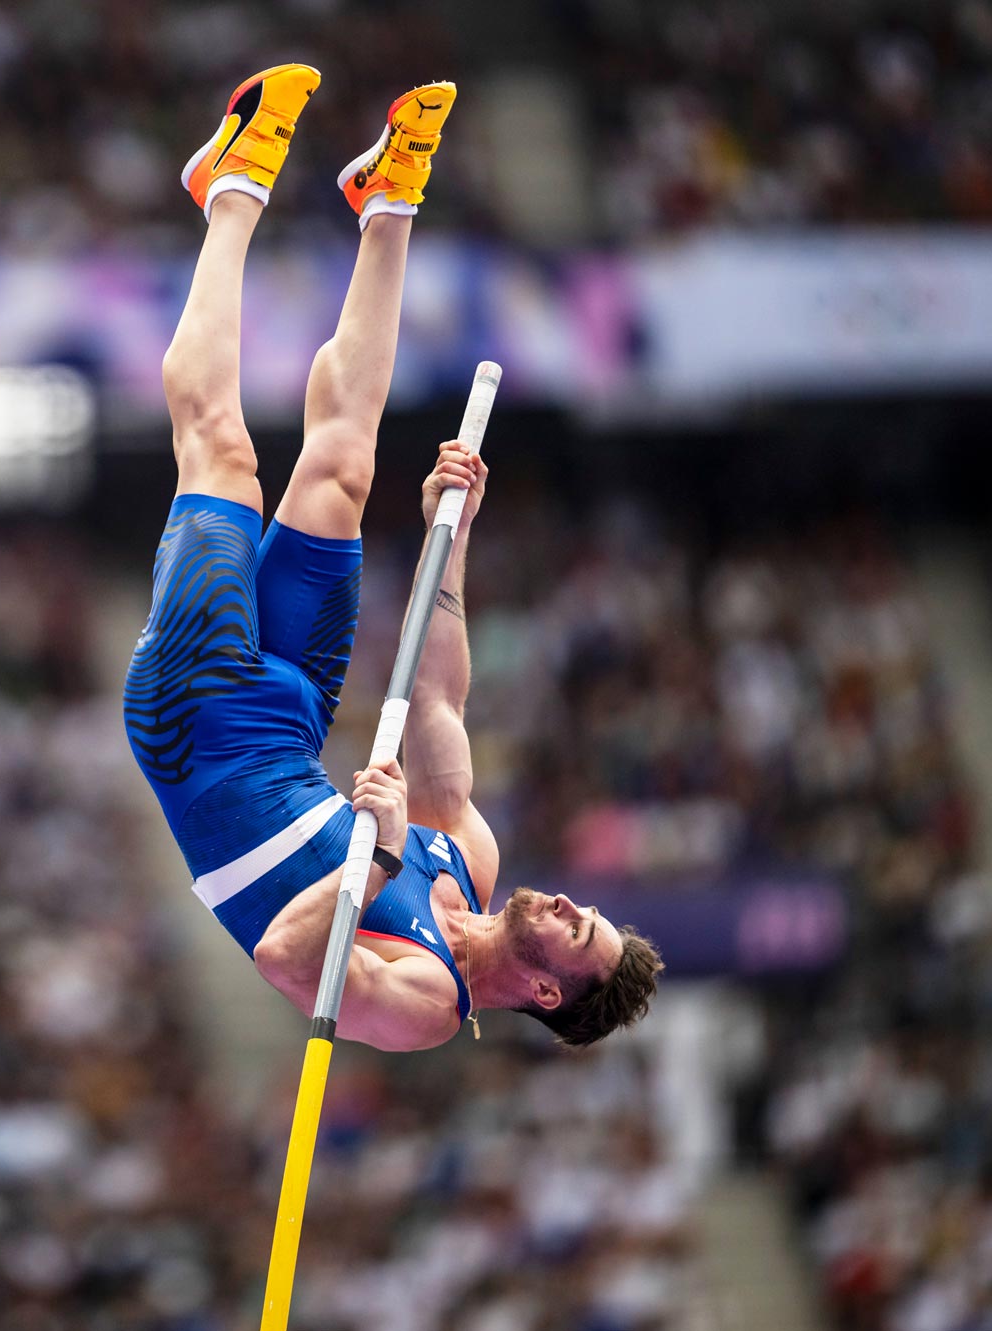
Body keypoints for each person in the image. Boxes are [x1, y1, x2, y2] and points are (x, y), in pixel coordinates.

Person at [124, 64, 663, 1051]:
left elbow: (287, 963)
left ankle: (229, 190)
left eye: (571, 925)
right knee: (340, 467)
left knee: (224, 453)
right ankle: (387, 202)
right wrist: (446, 534)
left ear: (546, 990)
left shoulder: (422, 1002)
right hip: (290, 714)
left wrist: (368, 866)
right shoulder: (467, 858)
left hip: (196, 734)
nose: (559, 898)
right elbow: (439, 700)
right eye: (581, 906)